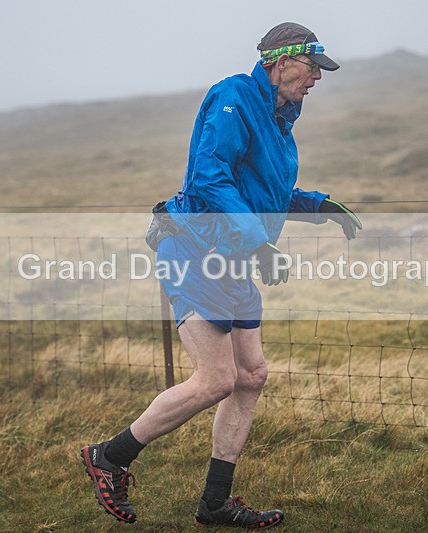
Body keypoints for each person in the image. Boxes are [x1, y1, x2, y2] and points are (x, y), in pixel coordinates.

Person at [81, 21, 361, 528]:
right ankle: (110, 457)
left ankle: (214, 502)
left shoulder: (280, 118)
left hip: (231, 252)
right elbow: (211, 178)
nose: (317, 78)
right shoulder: (234, 95)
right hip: (192, 243)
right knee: (216, 379)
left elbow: (263, 194)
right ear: (282, 60)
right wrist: (259, 243)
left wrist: (320, 206)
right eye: (312, 67)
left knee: (250, 376)